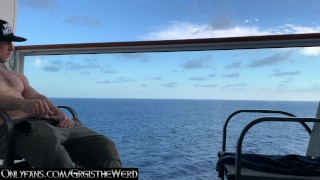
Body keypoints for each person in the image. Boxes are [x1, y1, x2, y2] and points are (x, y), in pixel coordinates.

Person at [0, 19, 122, 168]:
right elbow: (26, 103)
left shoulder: (16, 76)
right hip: (14, 128)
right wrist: (22, 104)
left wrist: (60, 115)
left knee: (105, 146)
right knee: (56, 155)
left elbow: (37, 97)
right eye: (6, 42)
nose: (12, 48)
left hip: (46, 123)